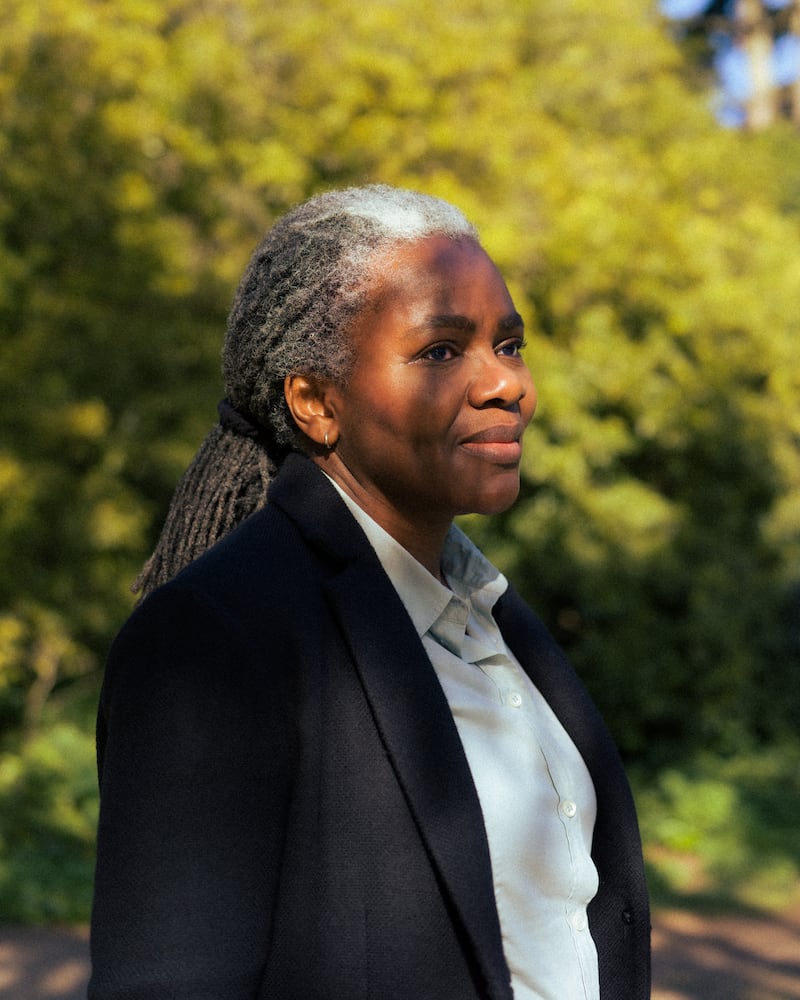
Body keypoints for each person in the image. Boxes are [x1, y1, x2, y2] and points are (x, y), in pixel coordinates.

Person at [89, 184, 650, 1000]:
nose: (507, 386)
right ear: (316, 403)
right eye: (441, 351)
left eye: (511, 344)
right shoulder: (215, 639)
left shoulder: (492, 624)